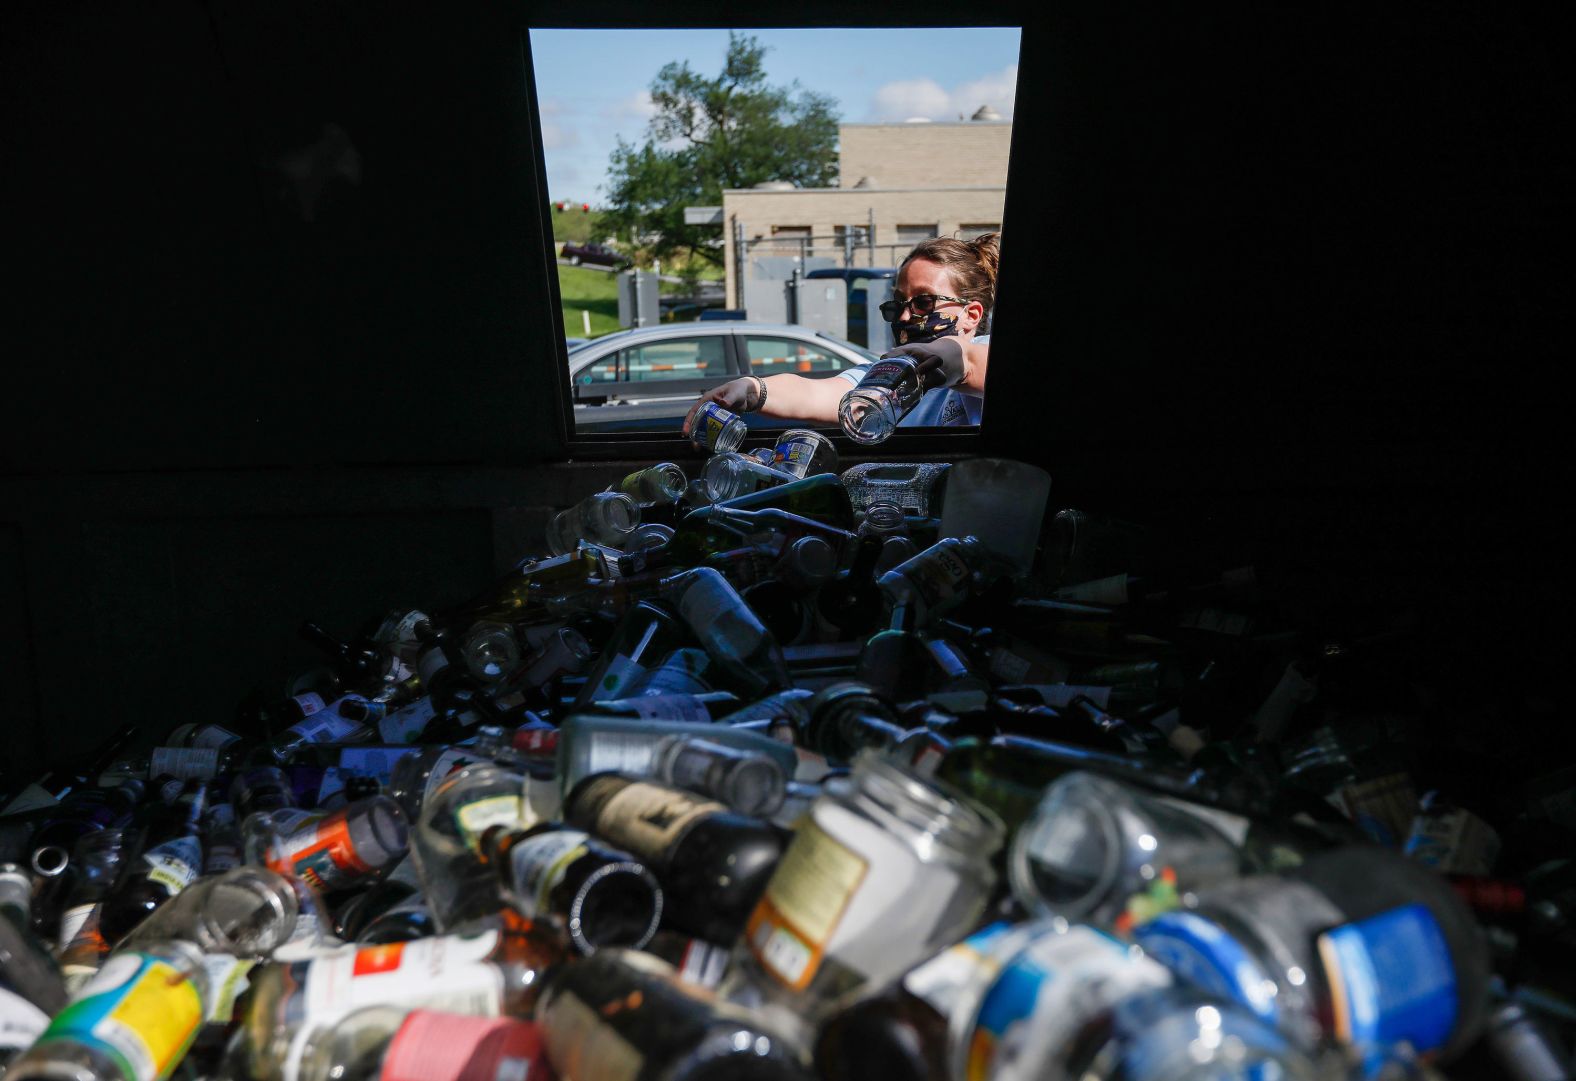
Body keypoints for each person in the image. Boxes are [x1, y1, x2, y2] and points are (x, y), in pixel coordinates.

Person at [681, 232, 999, 434]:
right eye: (899, 303)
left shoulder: (987, 351)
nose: (904, 315)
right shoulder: (890, 375)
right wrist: (750, 388)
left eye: (924, 302)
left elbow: (971, 361)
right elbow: (818, 394)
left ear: (971, 315)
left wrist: (950, 358)